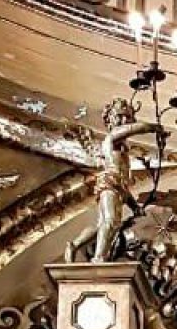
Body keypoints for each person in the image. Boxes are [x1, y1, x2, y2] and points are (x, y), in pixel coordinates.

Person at [66, 99, 165, 262]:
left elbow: (124, 184)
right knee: (110, 221)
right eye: (120, 116)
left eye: (127, 117)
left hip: (118, 187)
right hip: (110, 183)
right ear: (111, 119)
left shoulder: (123, 149)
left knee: (106, 224)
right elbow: (131, 129)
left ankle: (75, 244)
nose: (124, 121)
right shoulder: (111, 139)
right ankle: (99, 257)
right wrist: (152, 127)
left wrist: (134, 206)